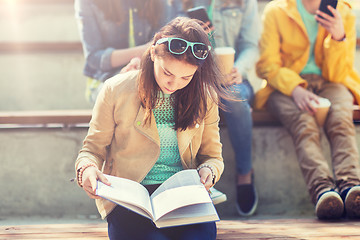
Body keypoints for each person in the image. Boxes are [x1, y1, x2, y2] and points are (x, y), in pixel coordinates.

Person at [75, 17, 230, 239]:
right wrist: (87, 170)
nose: (174, 83)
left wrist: (209, 171)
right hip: (129, 199)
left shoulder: (206, 97)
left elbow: (213, 157)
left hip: (183, 199)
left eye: (186, 77)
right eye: (167, 73)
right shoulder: (115, 90)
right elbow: (91, 149)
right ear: (153, 53)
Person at [256, 0, 360, 220]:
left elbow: (338, 75)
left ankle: (352, 188)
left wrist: (338, 37)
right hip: (285, 87)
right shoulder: (276, 11)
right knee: (304, 123)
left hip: (330, 83)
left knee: (341, 119)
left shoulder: (344, 12)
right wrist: (295, 88)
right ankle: (324, 191)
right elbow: (267, 65)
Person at [174, 0, 260, 216]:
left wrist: (238, 69)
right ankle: (192, 178)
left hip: (234, 78)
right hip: (197, 76)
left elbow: (251, 45)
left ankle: (244, 175)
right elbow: (172, 38)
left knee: (235, 97)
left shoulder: (245, 3)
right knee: (191, 96)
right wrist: (196, 36)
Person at [74, 0, 174, 104]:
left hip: (148, 71)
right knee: (126, 92)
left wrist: (141, 63)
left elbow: (164, 45)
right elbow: (94, 57)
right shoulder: (87, 2)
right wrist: (143, 52)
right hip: (104, 78)